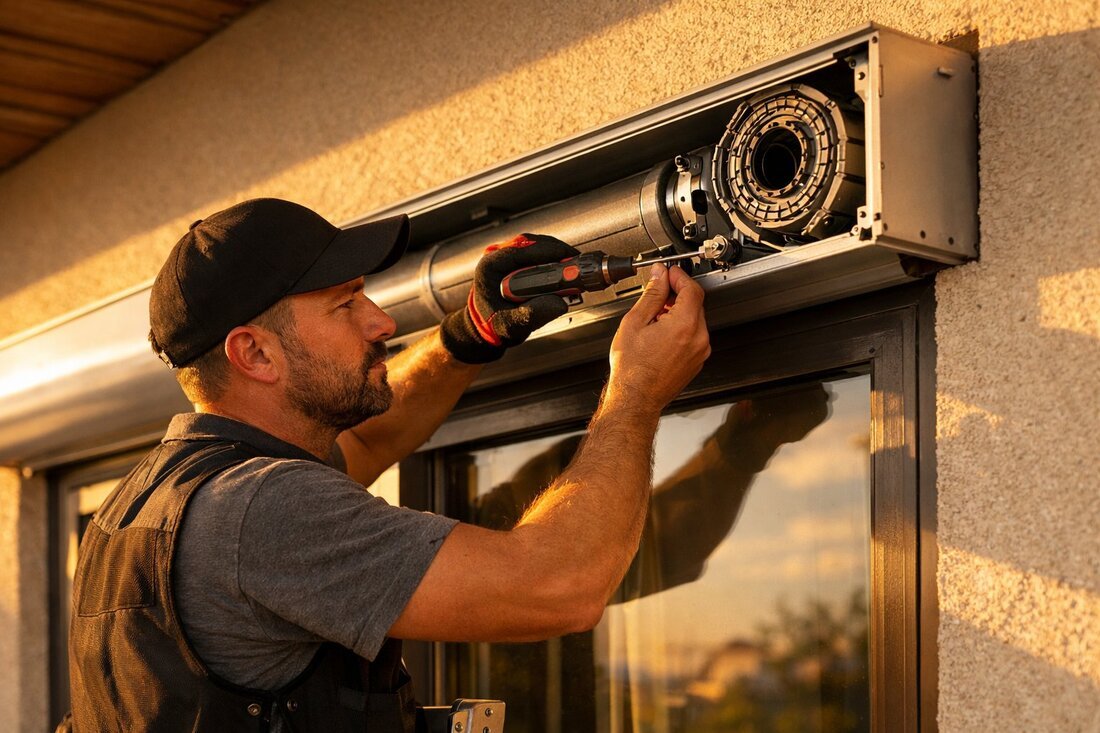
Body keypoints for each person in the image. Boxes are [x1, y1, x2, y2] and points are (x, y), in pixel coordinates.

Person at [63, 198, 710, 732]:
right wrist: (636, 393)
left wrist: (473, 333)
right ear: (255, 353)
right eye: (345, 304)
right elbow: (561, 584)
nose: (383, 320)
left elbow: (368, 444)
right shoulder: (261, 509)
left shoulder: (147, 504)